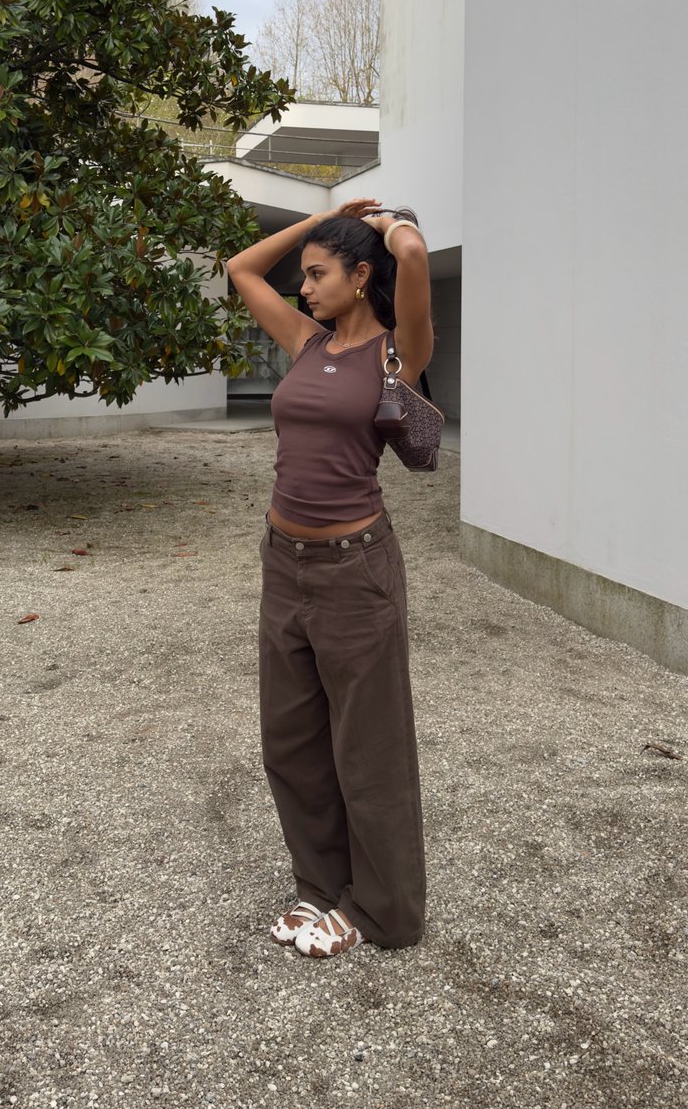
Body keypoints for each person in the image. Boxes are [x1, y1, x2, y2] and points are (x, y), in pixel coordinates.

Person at [226, 198, 433, 957]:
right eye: (305, 276)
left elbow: (414, 257)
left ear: (360, 275)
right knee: (291, 738)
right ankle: (318, 886)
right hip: (284, 562)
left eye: (317, 274)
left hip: (356, 569)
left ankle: (382, 910)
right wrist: (323, 218)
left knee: (368, 747)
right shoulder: (306, 341)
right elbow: (241, 269)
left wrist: (387, 222)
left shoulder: (397, 353)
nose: (304, 287)